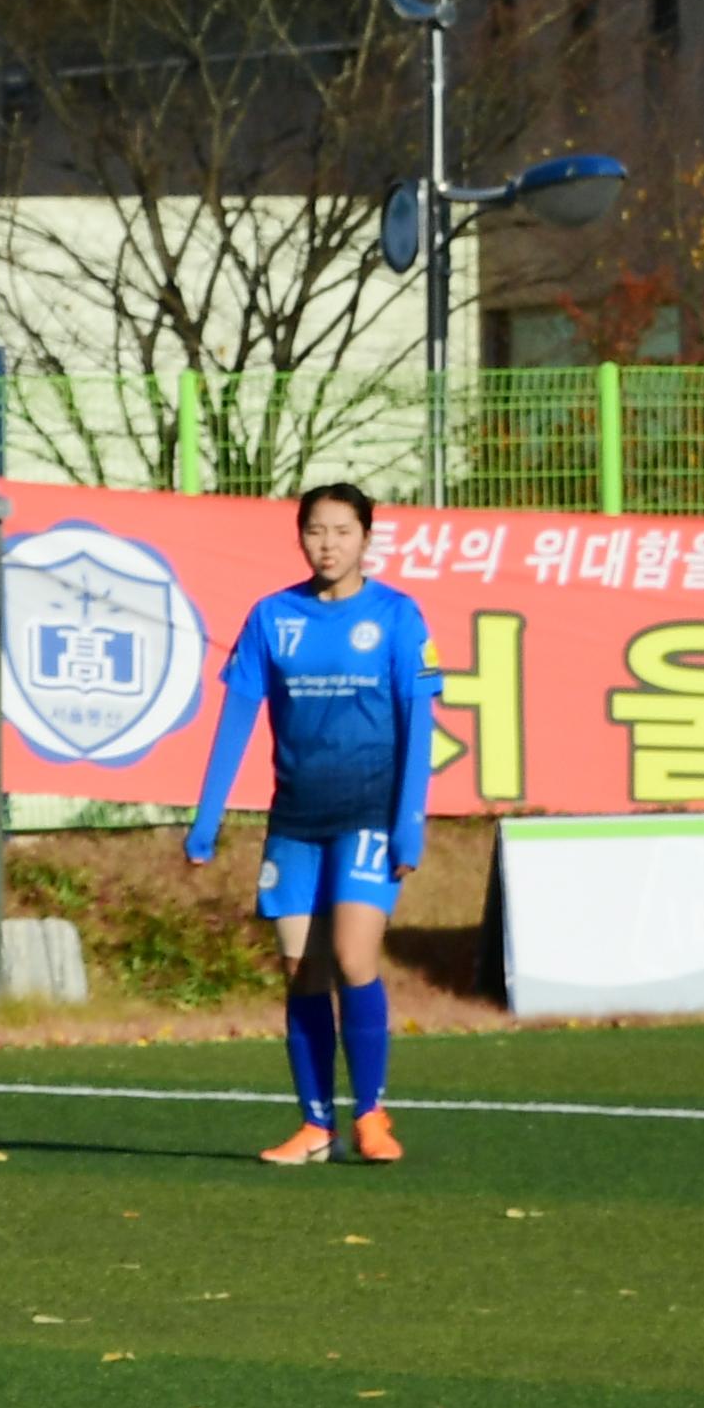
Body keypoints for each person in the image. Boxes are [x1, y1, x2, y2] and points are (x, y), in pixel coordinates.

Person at [186, 480, 441, 1168]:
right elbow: (237, 715)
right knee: (302, 972)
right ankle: (314, 1125)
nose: (328, 545)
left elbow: (419, 726)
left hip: (368, 815)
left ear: (366, 538)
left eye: (342, 531)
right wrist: (206, 819)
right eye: (315, 531)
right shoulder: (273, 617)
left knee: (354, 958)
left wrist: (409, 825)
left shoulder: (396, 616)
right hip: (296, 821)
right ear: (299, 537)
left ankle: (373, 1113)